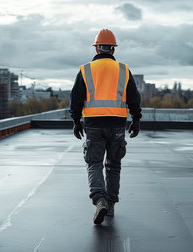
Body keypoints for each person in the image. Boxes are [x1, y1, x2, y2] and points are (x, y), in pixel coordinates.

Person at [69, 29, 142, 224]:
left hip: (93, 124)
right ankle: (110, 205)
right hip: (117, 125)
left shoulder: (85, 70)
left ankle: (99, 199)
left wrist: (76, 121)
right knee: (114, 165)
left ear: (96, 48)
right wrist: (136, 119)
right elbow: (134, 99)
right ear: (113, 50)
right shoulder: (124, 70)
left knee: (94, 163)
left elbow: (75, 99)